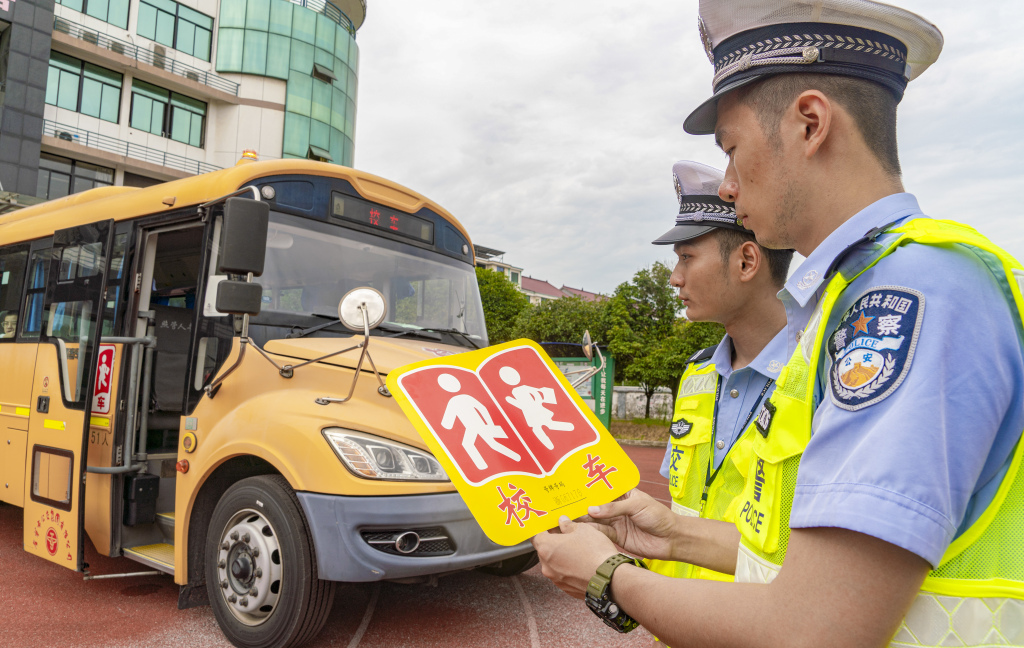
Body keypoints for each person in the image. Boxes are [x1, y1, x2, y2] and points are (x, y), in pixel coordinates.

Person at [533, 1, 1024, 646]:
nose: (729, 186)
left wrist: (608, 577)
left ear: (811, 123)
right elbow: (800, 565)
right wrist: (670, 533)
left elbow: (814, 629)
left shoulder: (907, 295)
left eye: (732, 151)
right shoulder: (856, 297)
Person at [647, 160, 792, 583]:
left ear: (747, 261)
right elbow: (682, 508)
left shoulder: (816, 378)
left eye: (687, 257)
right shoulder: (696, 377)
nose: (675, 278)